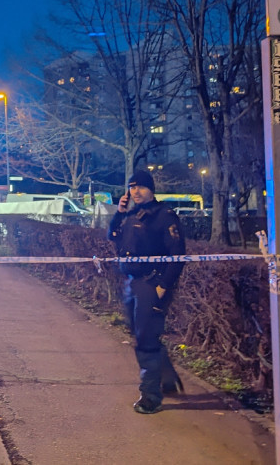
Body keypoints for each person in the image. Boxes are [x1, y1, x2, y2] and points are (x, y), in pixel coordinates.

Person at [107, 169, 186, 414]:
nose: (135, 192)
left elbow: (177, 255)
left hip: (151, 283)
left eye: (140, 187)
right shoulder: (131, 214)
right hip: (133, 282)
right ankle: (167, 379)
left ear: (151, 189)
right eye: (132, 187)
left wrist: (163, 285)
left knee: (145, 339)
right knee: (139, 332)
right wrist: (118, 215)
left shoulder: (164, 215)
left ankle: (151, 396)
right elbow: (113, 237)